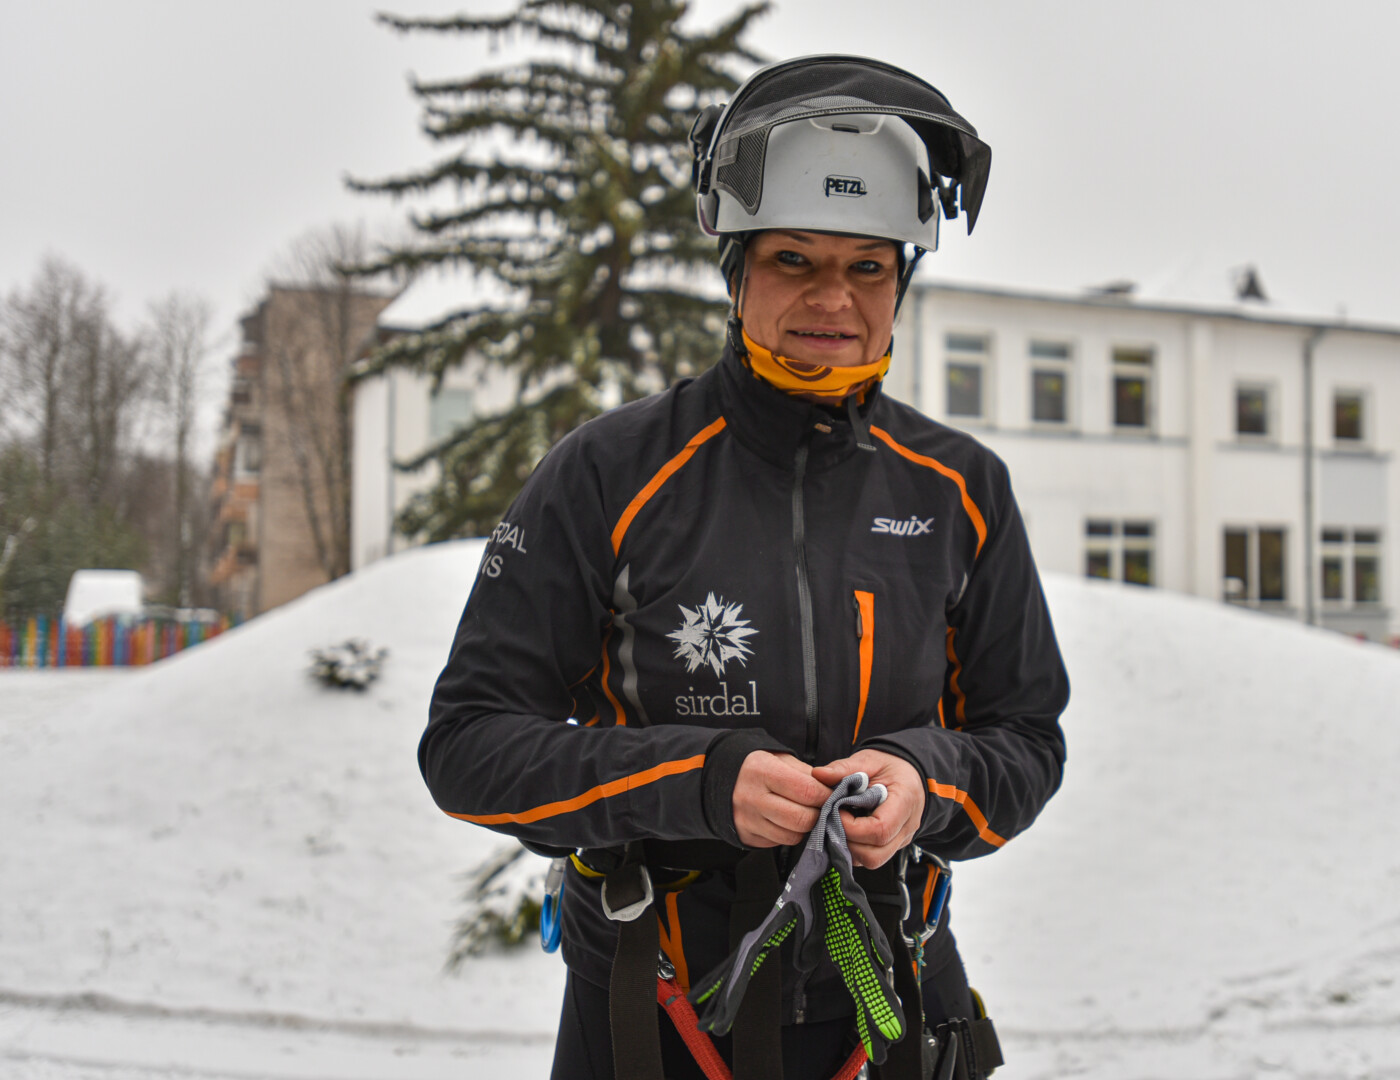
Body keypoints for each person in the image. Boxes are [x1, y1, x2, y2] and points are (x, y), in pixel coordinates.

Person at [420, 55, 1069, 1080]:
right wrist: (702, 780)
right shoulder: (610, 472)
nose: (832, 299)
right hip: (650, 1014)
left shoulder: (956, 490)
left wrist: (923, 778)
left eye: (866, 265)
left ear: (900, 281)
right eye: (792, 260)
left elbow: (1027, 742)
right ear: (736, 272)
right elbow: (468, 747)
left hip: (886, 1002)